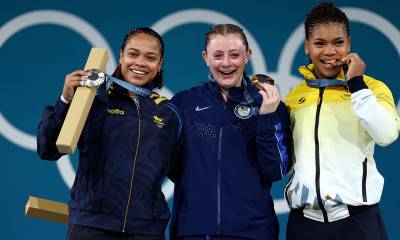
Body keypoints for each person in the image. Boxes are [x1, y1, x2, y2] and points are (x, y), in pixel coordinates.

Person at [37, 27, 182, 240]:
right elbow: (47, 149)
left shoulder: (168, 113)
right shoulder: (92, 100)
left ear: (159, 65)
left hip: (146, 230)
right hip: (92, 227)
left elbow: (182, 171)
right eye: (133, 54)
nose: (140, 63)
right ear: (121, 56)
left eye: (150, 57)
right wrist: (66, 99)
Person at [284, 2, 400, 240]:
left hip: (358, 224)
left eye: (338, 42)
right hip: (304, 225)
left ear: (348, 43)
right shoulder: (295, 96)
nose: (329, 52)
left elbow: (387, 134)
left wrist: (357, 85)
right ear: (307, 46)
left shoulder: (373, 88)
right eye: (319, 43)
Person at [169, 24, 291, 240]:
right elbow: (171, 166)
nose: (226, 63)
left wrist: (266, 117)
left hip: (252, 232)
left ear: (247, 56)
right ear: (206, 57)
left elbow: (276, 171)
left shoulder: (268, 104)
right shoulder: (184, 102)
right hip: (194, 230)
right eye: (218, 55)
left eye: (234, 55)